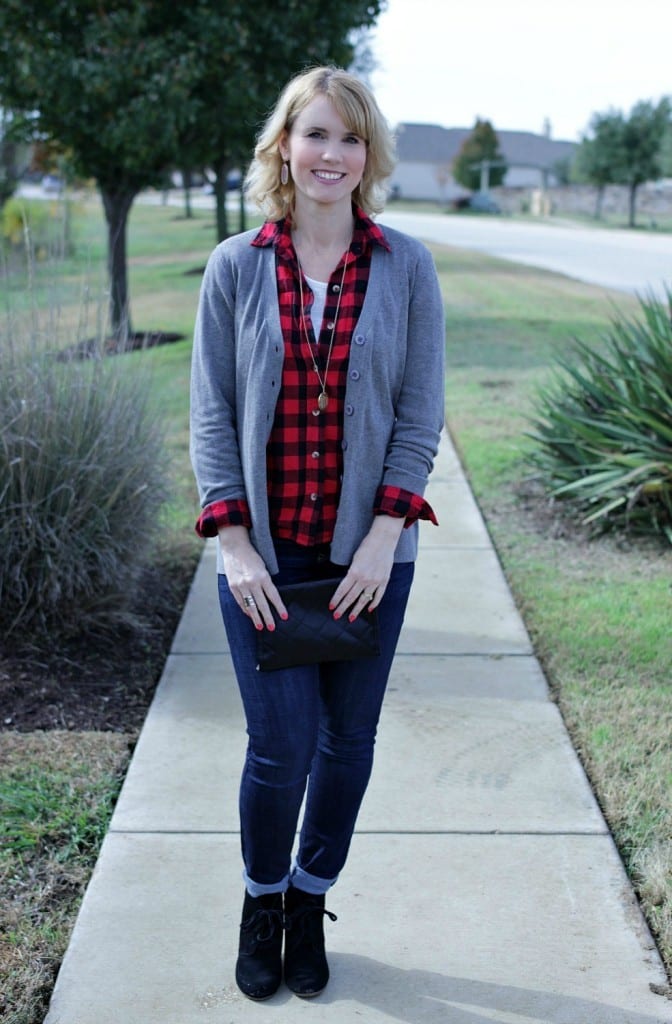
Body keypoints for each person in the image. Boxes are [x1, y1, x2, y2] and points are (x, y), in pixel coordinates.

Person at [189, 65, 445, 1001]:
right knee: (281, 747)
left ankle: (308, 899)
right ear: (284, 148)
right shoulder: (235, 265)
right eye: (316, 135)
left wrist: (384, 538)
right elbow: (211, 414)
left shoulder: (406, 265)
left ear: (367, 155)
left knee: (348, 741)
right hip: (265, 555)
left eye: (350, 137)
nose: (331, 154)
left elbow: (420, 417)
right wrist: (233, 542)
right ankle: (261, 900)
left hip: (370, 554)